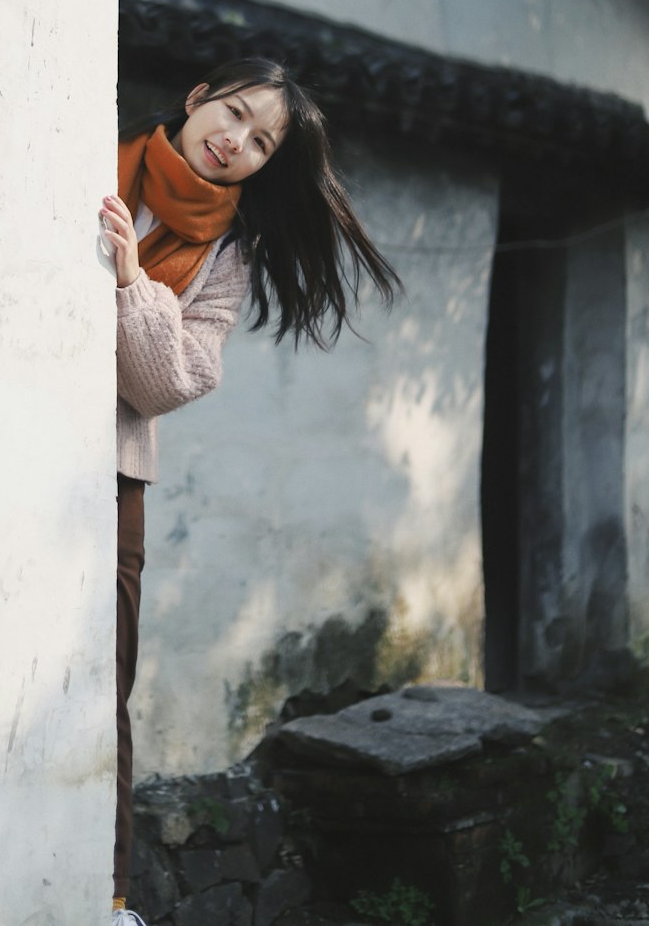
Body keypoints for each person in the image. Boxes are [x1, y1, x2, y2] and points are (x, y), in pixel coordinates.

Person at [98, 58, 398, 926]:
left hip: (115, 476)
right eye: (234, 114)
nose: (237, 140)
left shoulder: (227, 254)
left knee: (101, 685)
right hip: (12, 448)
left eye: (261, 141)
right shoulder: (90, 159)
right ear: (197, 101)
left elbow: (169, 379)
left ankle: (106, 895)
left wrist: (129, 281)